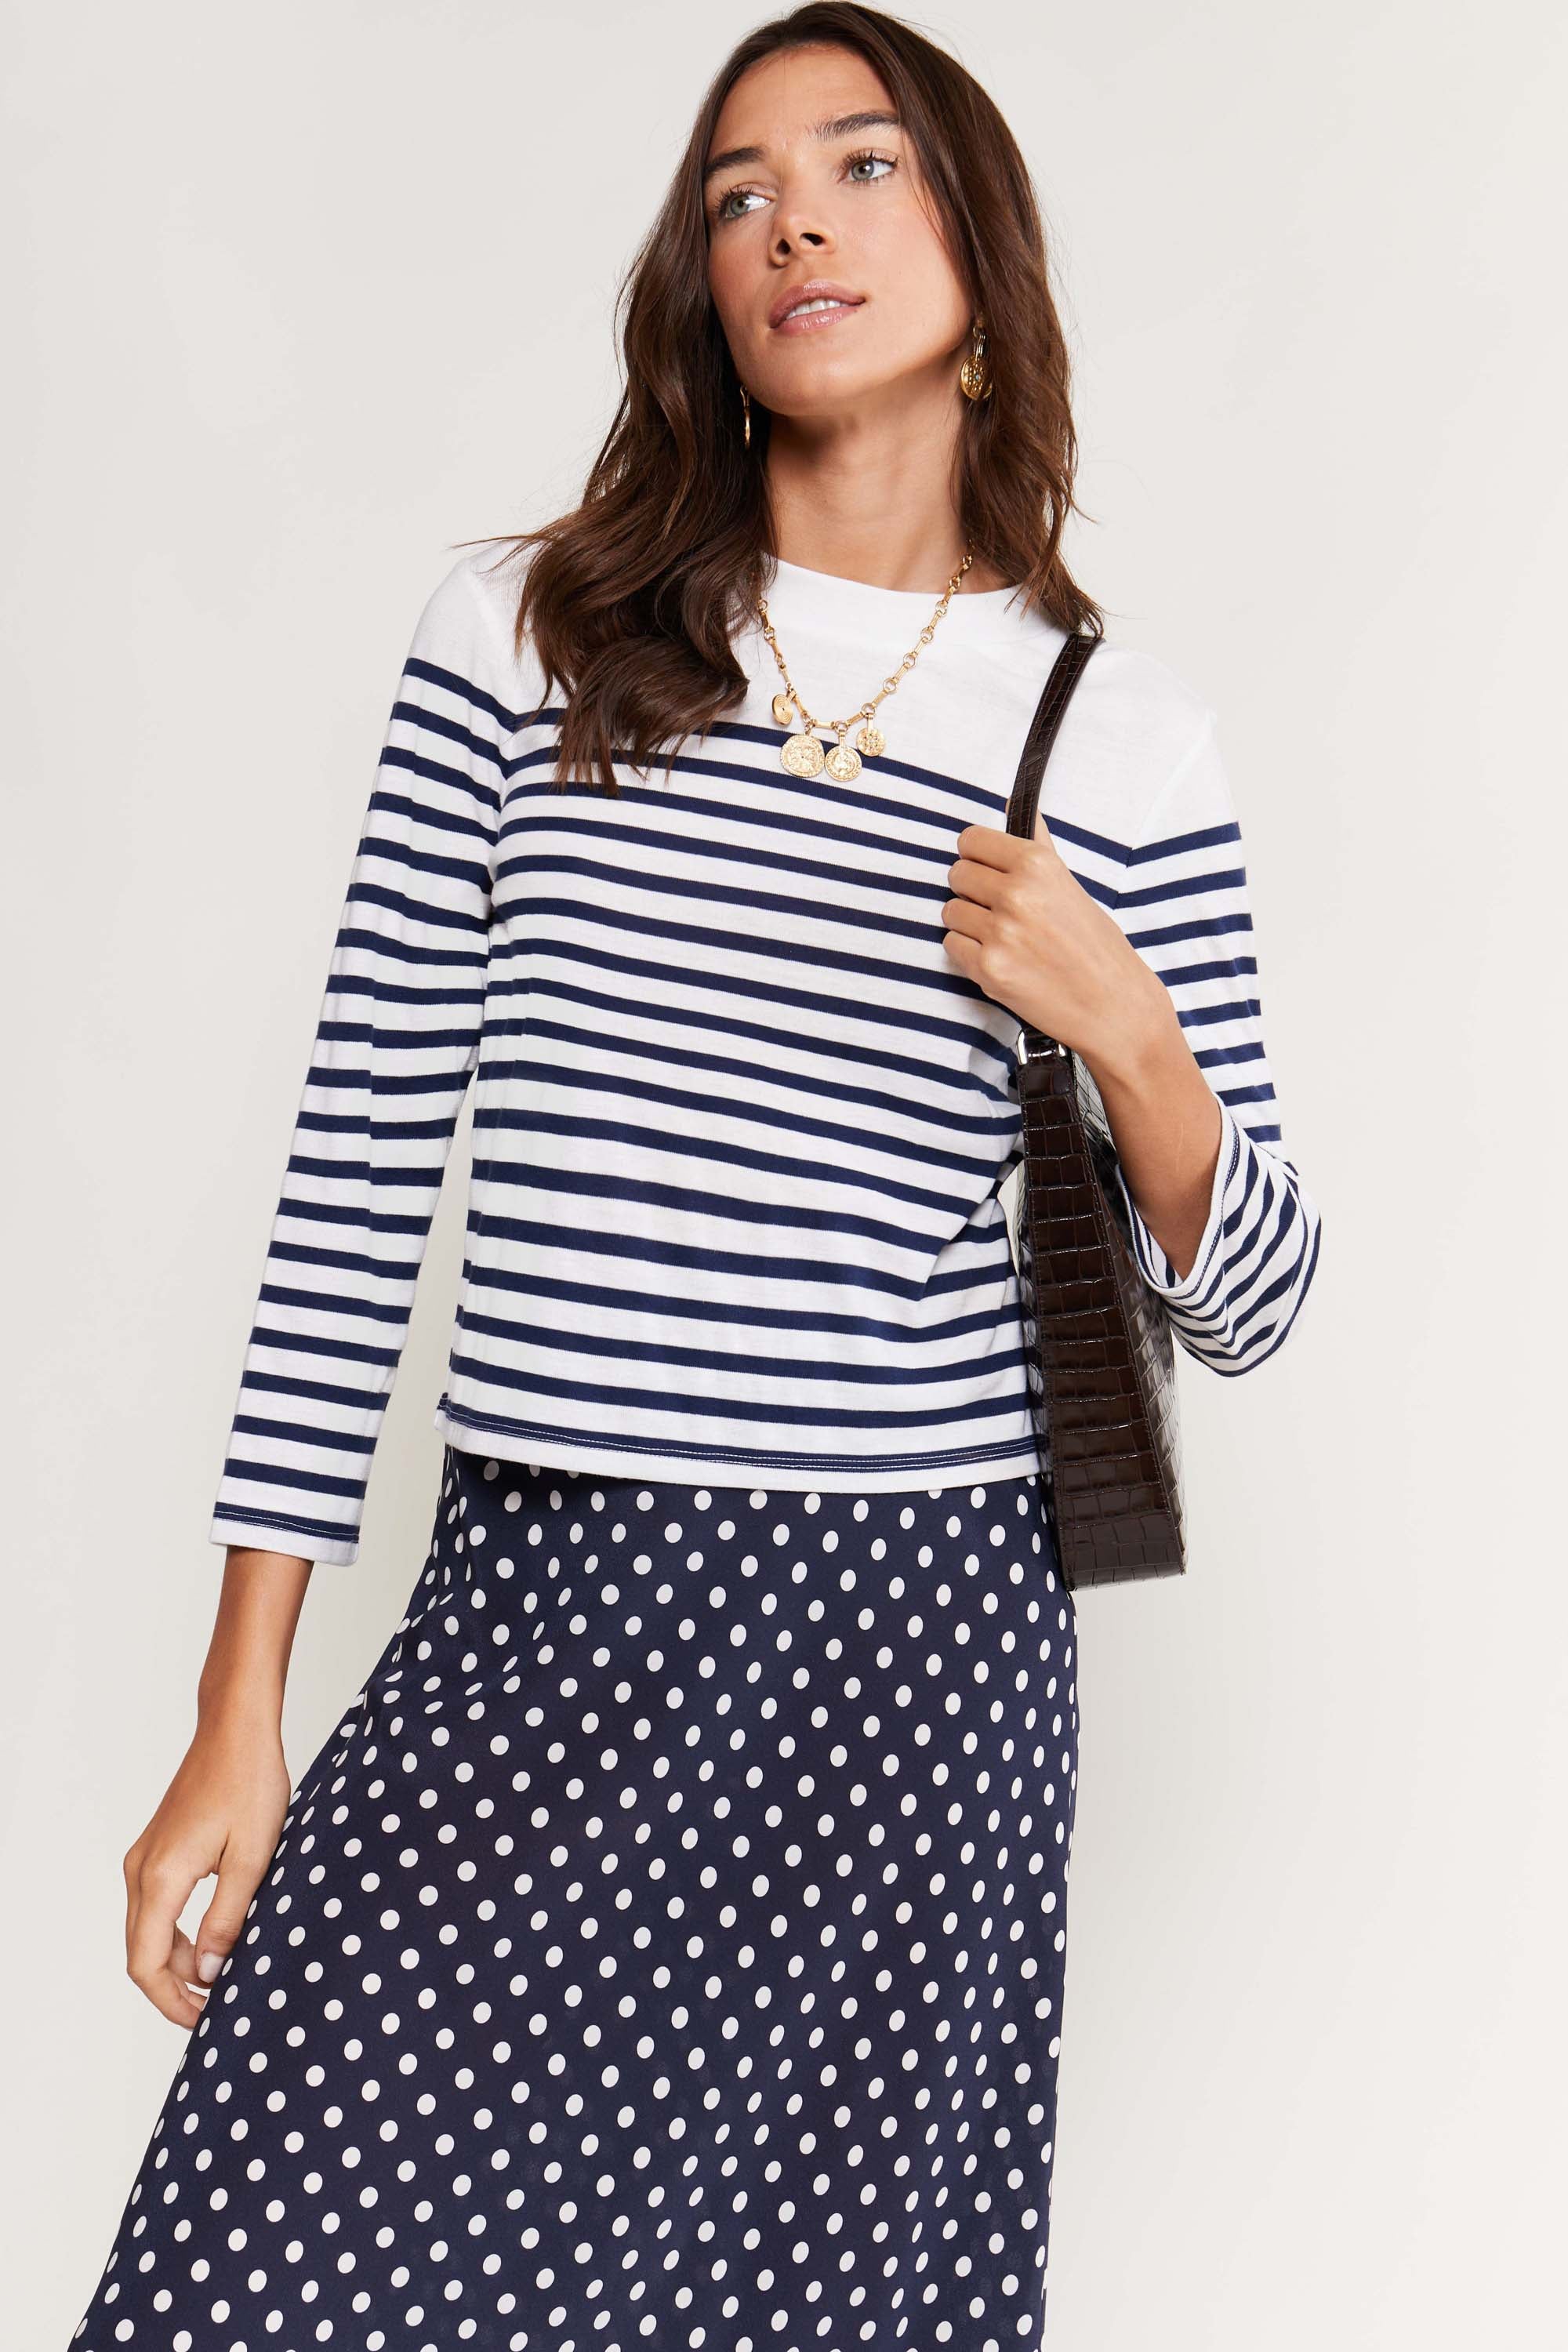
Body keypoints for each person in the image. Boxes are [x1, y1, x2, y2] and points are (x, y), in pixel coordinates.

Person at [69, 7, 1320, 2347]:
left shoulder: (1120, 739)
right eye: (740, 191)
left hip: (913, 1661)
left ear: (978, 240)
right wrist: (238, 1711)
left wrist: (1126, 1025)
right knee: (269, 2270)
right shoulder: (525, 644)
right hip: (544, 1604)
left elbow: (1252, 1295)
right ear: (701, 282)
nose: (795, 222)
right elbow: (354, 1182)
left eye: (861, 166)